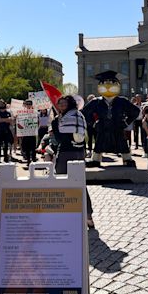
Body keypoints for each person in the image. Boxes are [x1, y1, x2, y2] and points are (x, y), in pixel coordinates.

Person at [51, 95, 94, 228]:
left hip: (65, 154)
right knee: (81, 184)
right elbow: (83, 135)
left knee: (62, 184)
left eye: (64, 103)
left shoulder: (59, 120)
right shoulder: (79, 115)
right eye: (60, 104)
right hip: (79, 153)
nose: (62, 106)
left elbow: (59, 140)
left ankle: (66, 215)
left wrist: (54, 127)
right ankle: (88, 215)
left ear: (69, 104)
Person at [81, 70, 140, 167]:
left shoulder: (122, 101)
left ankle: (127, 159)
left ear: (117, 85)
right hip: (103, 126)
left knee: (122, 142)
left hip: (117, 126)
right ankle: (95, 159)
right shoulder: (96, 101)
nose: (108, 85)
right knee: (99, 143)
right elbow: (85, 113)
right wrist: (94, 123)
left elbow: (135, 111)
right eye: (104, 83)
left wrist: (126, 122)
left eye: (112, 82)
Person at [20, 100, 38, 167]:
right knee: (26, 148)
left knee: (33, 147)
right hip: (25, 132)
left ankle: (33, 159)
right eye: (27, 104)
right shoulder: (22, 112)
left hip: (32, 132)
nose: (28, 105)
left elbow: (37, 121)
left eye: (29, 104)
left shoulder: (35, 112)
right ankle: (28, 160)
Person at [85, 94, 96, 158]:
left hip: (97, 125)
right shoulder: (87, 107)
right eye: (90, 99)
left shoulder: (98, 107)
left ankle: (97, 151)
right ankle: (89, 150)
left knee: (97, 138)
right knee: (90, 138)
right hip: (89, 124)